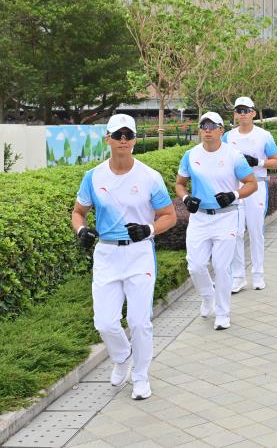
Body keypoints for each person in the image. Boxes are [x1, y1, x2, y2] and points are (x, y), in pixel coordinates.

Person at [72, 114, 177, 400]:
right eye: (117, 135)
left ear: (135, 140)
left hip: (139, 253)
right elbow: (78, 212)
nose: (123, 140)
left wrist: (149, 229)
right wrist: (81, 230)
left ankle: (141, 376)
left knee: (139, 321)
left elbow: (169, 216)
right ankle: (122, 357)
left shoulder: (149, 176)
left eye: (128, 135)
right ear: (107, 138)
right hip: (106, 254)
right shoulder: (93, 176)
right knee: (104, 323)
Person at [176, 112, 257, 331]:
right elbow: (180, 184)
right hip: (200, 218)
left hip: (226, 217)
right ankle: (207, 296)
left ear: (221, 130)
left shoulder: (233, 155)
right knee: (195, 265)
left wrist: (234, 195)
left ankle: (222, 313)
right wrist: (186, 198)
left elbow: (251, 183)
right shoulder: (190, 155)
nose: (207, 129)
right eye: (203, 125)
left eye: (212, 125)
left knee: (221, 268)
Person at [222, 97, 277, 293]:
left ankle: (258, 274)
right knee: (236, 233)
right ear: (235, 114)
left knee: (256, 231)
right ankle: (238, 277)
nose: (242, 114)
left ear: (253, 113)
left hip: (257, 186)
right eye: (239, 110)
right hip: (236, 188)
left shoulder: (264, 135)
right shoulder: (228, 137)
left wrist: (257, 162)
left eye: (246, 110)